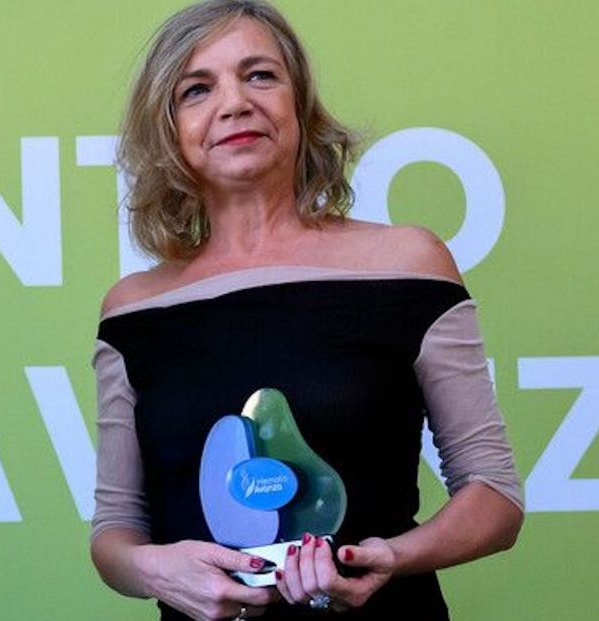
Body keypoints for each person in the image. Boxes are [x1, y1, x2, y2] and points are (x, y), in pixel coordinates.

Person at [90, 1, 524, 620]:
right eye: (197, 89)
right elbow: (115, 531)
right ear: (170, 129)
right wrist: (154, 570)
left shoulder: (407, 263)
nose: (235, 102)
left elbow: (495, 495)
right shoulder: (133, 309)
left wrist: (391, 557)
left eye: (260, 75)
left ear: (300, 105)